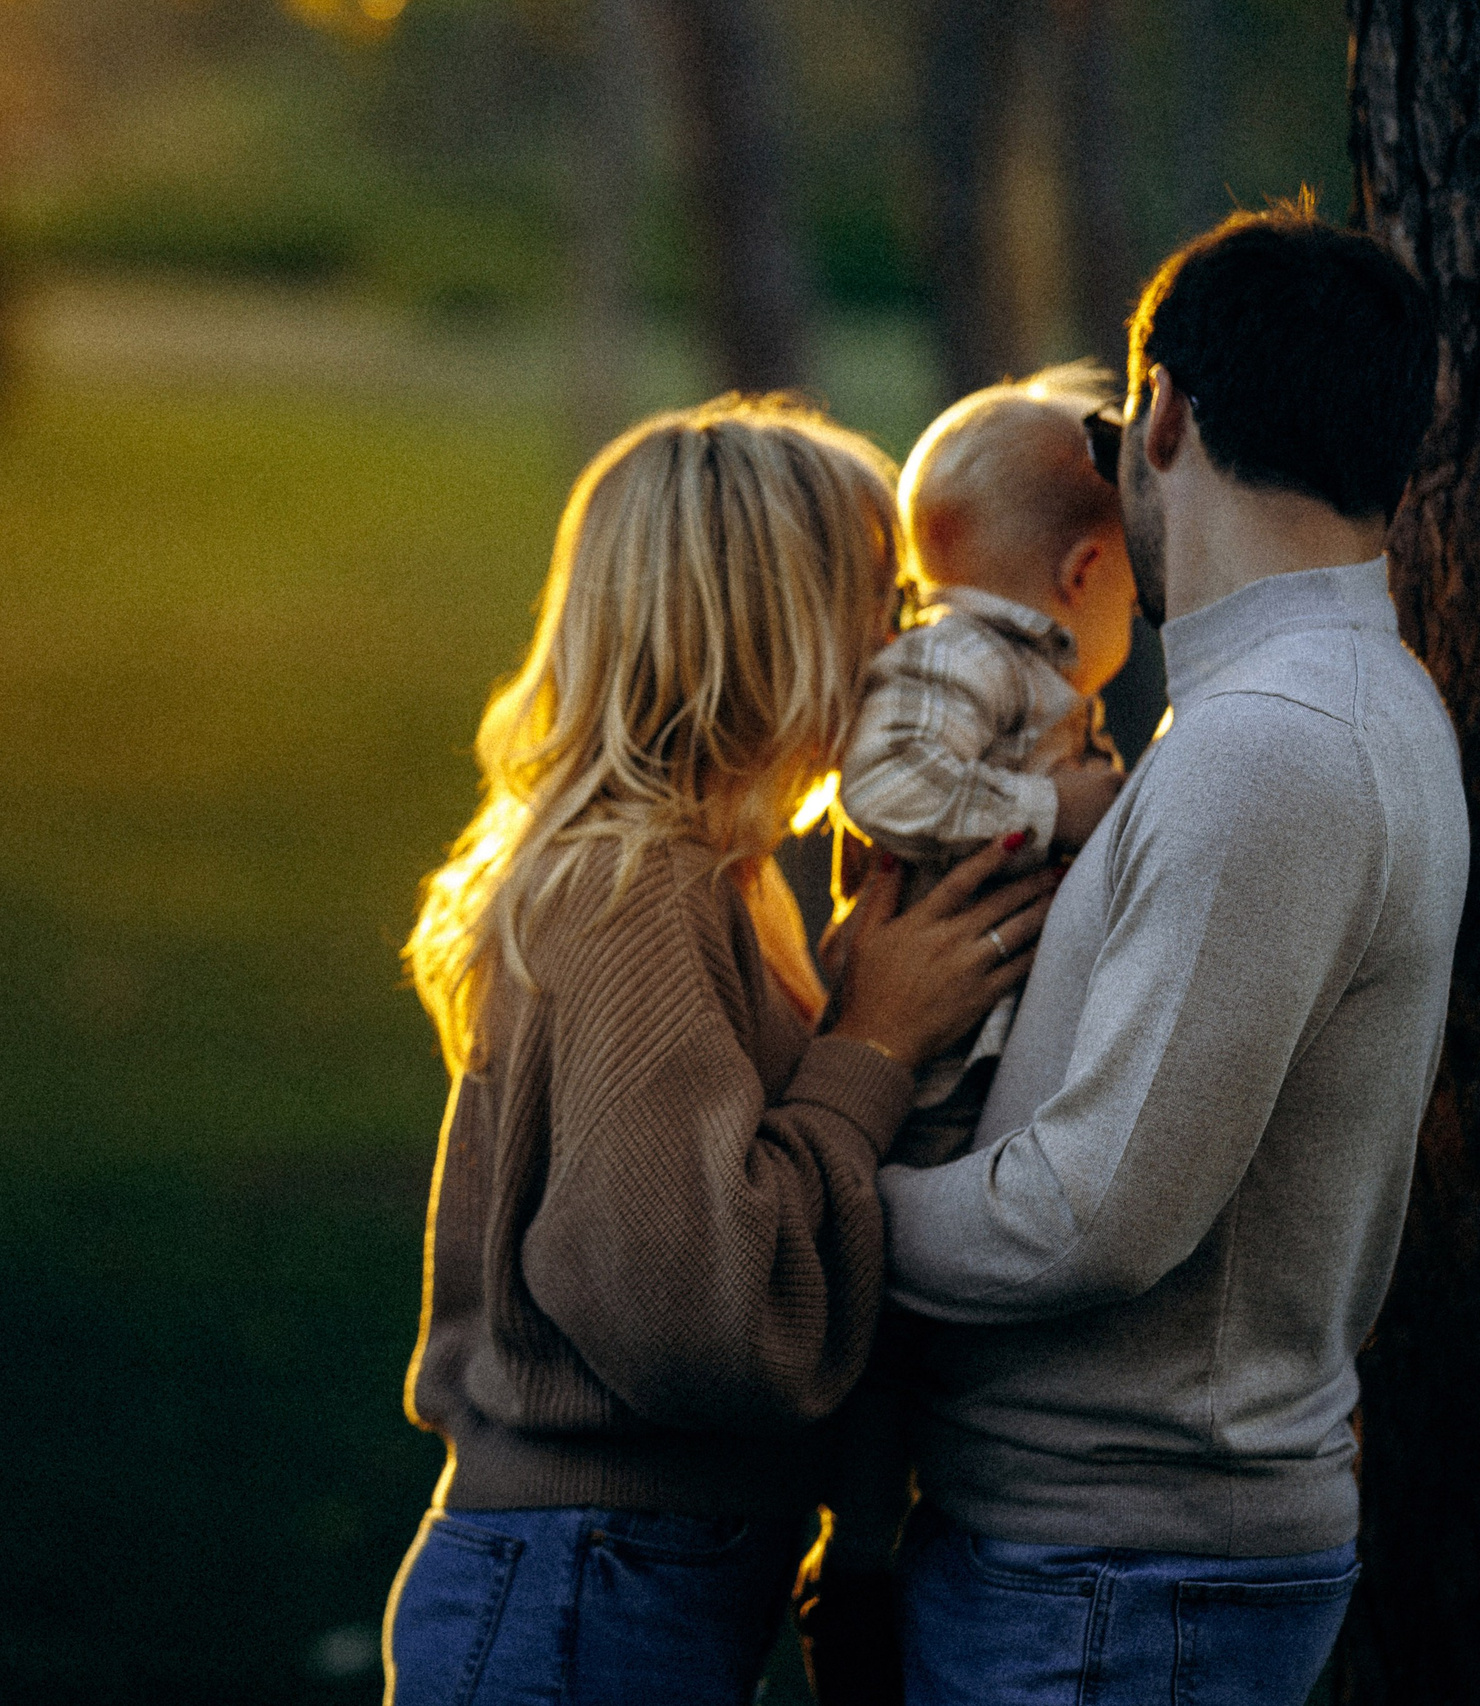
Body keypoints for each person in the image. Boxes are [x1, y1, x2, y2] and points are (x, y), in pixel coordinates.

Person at [381, 394, 1059, 1706]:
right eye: (882, 599)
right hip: (587, 1581)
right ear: (782, 627)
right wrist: (871, 1045)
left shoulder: (727, 887)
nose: (903, 644)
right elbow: (691, 1304)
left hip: (627, 1572)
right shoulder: (640, 892)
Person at [877, 206, 1465, 1706]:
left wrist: (812, 1207)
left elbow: (1096, 1211)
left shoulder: (1273, 748)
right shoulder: (1327, 707)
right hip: (1122, 1574)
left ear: (1164, 416)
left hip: (1116, 1588)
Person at [839, 361, 1137, 1166]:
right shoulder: (962, 656)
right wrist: (1050, 810)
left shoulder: (1026, 674)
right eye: (1135, 587)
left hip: (982, 1034)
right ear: (1084, 572)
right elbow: (884, 782)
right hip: (933, 1063)